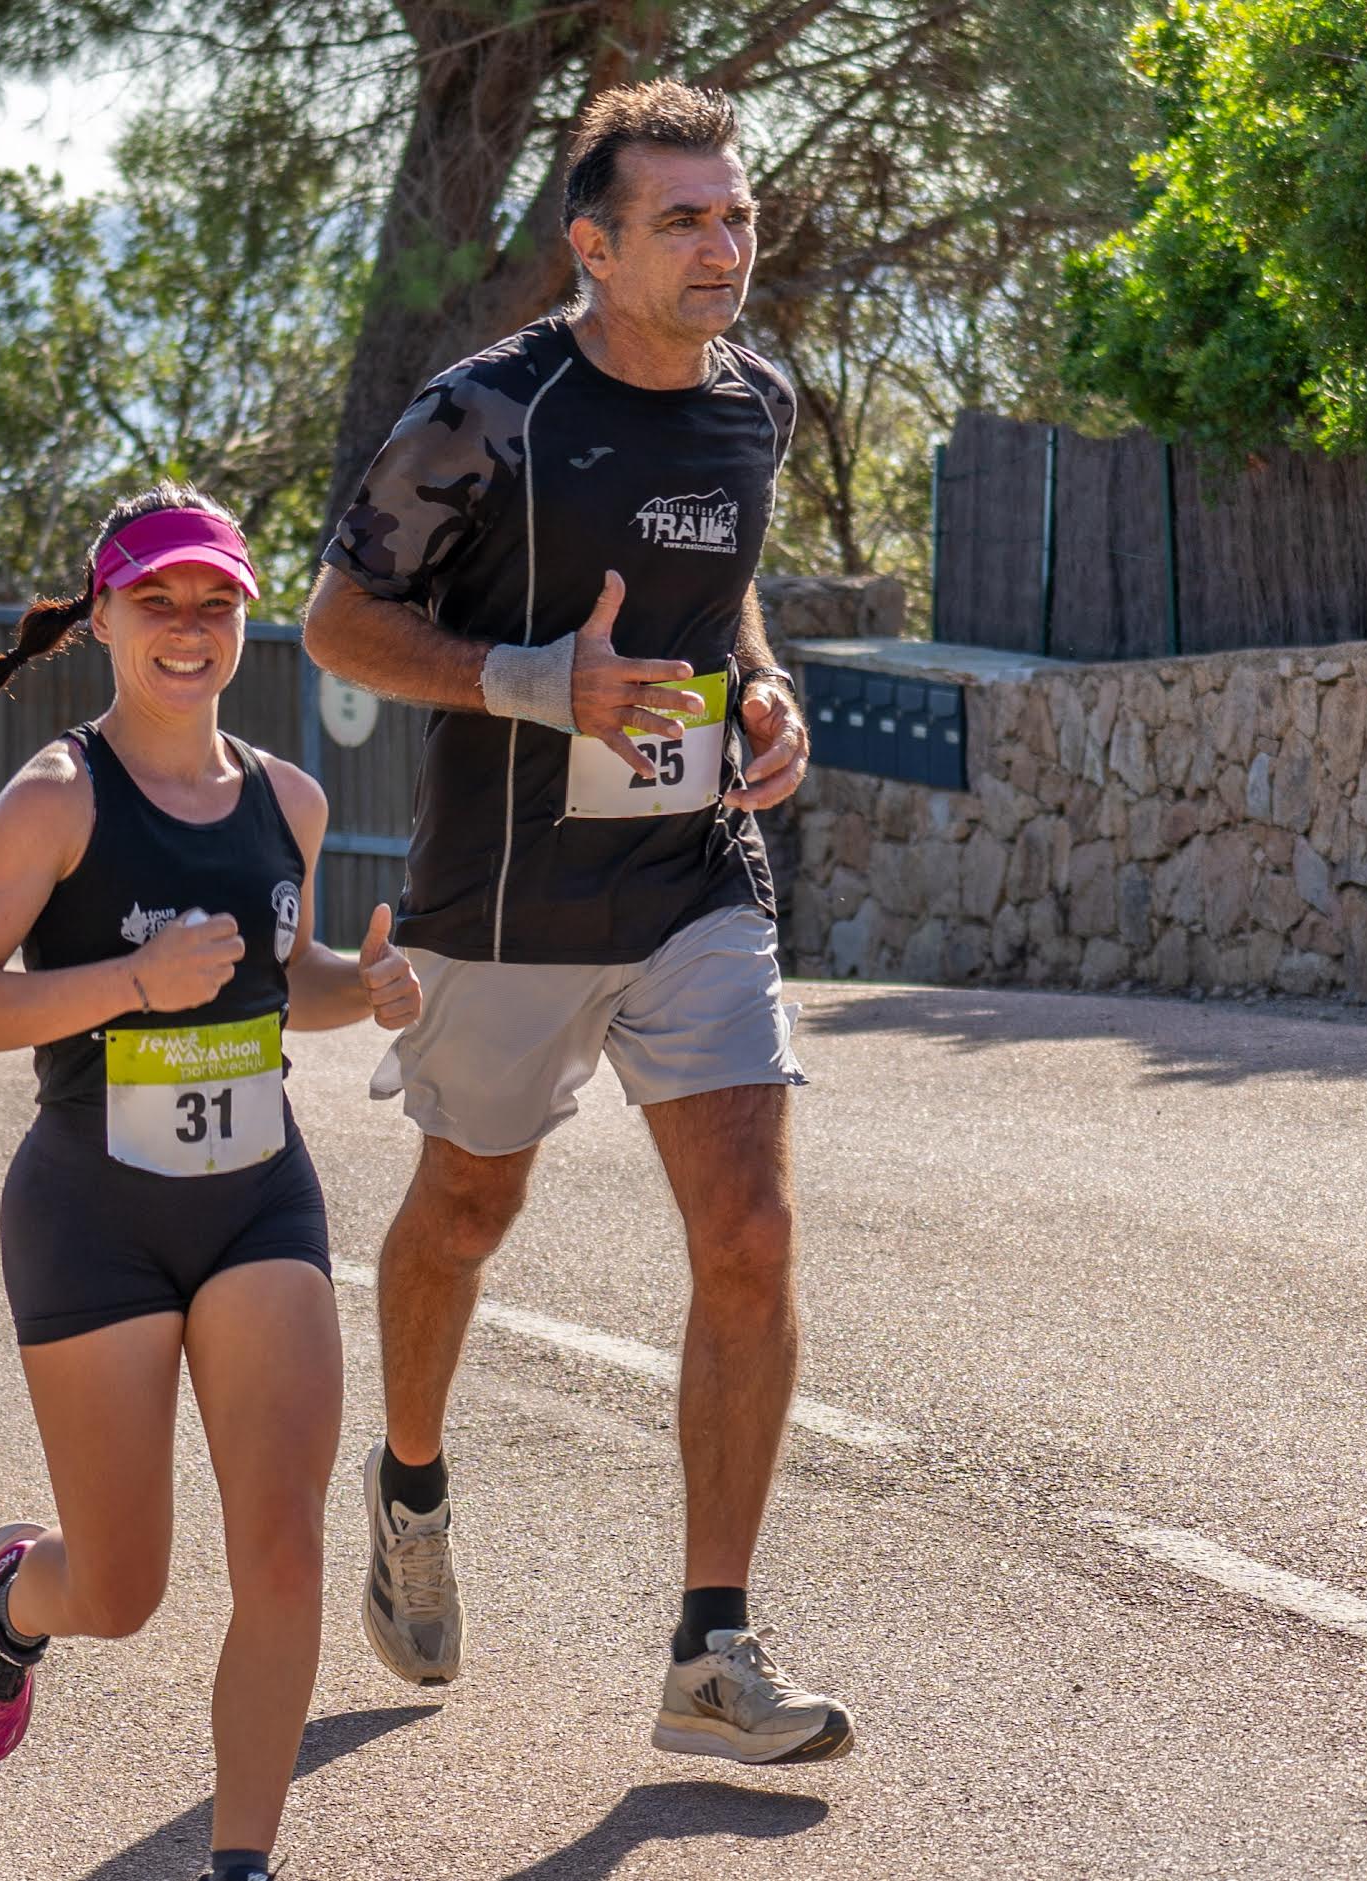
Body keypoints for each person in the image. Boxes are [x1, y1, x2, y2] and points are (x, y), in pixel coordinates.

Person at [301, 80, 843, 1765]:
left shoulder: (755, 399)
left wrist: (760, 695)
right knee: (466, 1208)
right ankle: (406, 1484)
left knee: (746, 1229)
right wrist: (536, 682)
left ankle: (711, 1648)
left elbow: (719, 590)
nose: (720, 244)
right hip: (506, 900)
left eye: (734, 213)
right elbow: (333, 622)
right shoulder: (488, 414)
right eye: (679, 219)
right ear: (591, 247)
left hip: (693, 882)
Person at [0, 485, 422, 1881]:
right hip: (93, 1211)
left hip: (259, 1197)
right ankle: (20, 1591)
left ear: (244, 618)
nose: (188, 629)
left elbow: (275, 981)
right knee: (122, 1588)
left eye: (216, 604)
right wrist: (127, 982)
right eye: (158, 603)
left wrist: (358, 992)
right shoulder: (57, 798)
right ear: (105, 620)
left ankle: (240, 1861)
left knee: (285, 1552)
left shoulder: (288, 798)